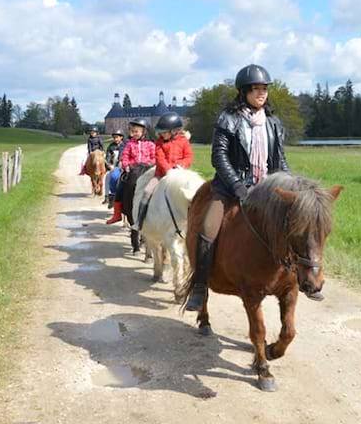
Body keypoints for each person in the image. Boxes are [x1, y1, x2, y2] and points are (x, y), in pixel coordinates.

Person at [185, 64, 320, 311]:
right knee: (208, 229)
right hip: (229, 189)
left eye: (264, 89)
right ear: (244, 91)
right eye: (256, 89)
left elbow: (279, 160)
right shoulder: (228, 119)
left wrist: (290, 185)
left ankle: (306, 278)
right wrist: (236, 184)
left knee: (301, 226)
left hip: (267, 190)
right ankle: (199, 285)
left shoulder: (273, 122)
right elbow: (220, 157)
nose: (261, 93)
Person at [131, 112, 193, 231]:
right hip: (161, 174)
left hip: (181, 174)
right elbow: (160, 158)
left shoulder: (184, 141)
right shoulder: (159, 142)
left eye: (164, 132)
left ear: (174, 131)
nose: (162, 134)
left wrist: (180, 166)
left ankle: (192, 223)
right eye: (161, 132)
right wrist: (169, 171)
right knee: (147, 191)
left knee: (192, 193)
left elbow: (189, 157)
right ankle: (139, 221)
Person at [105, 118, 155, 225]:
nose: (134, 133)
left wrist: (150, 164)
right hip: (132, 170)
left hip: (147, 170)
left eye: (136, 131)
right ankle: (117, 213)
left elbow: (154, 157)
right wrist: (126, 165)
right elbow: (125, 156)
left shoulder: (150, 144)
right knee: (120, 184)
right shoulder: (129, 144)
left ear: (144, 132)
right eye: (132, 131)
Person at [103, 129, 125, 206]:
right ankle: (107, 196)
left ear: (121, 137)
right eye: (114, 137)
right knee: (107, 177)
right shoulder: (111, 146)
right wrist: (109, 165)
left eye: (117, 137)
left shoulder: (125, 145)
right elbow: (108, 158)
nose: (115, 139)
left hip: (123, 166)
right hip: (113, 166)